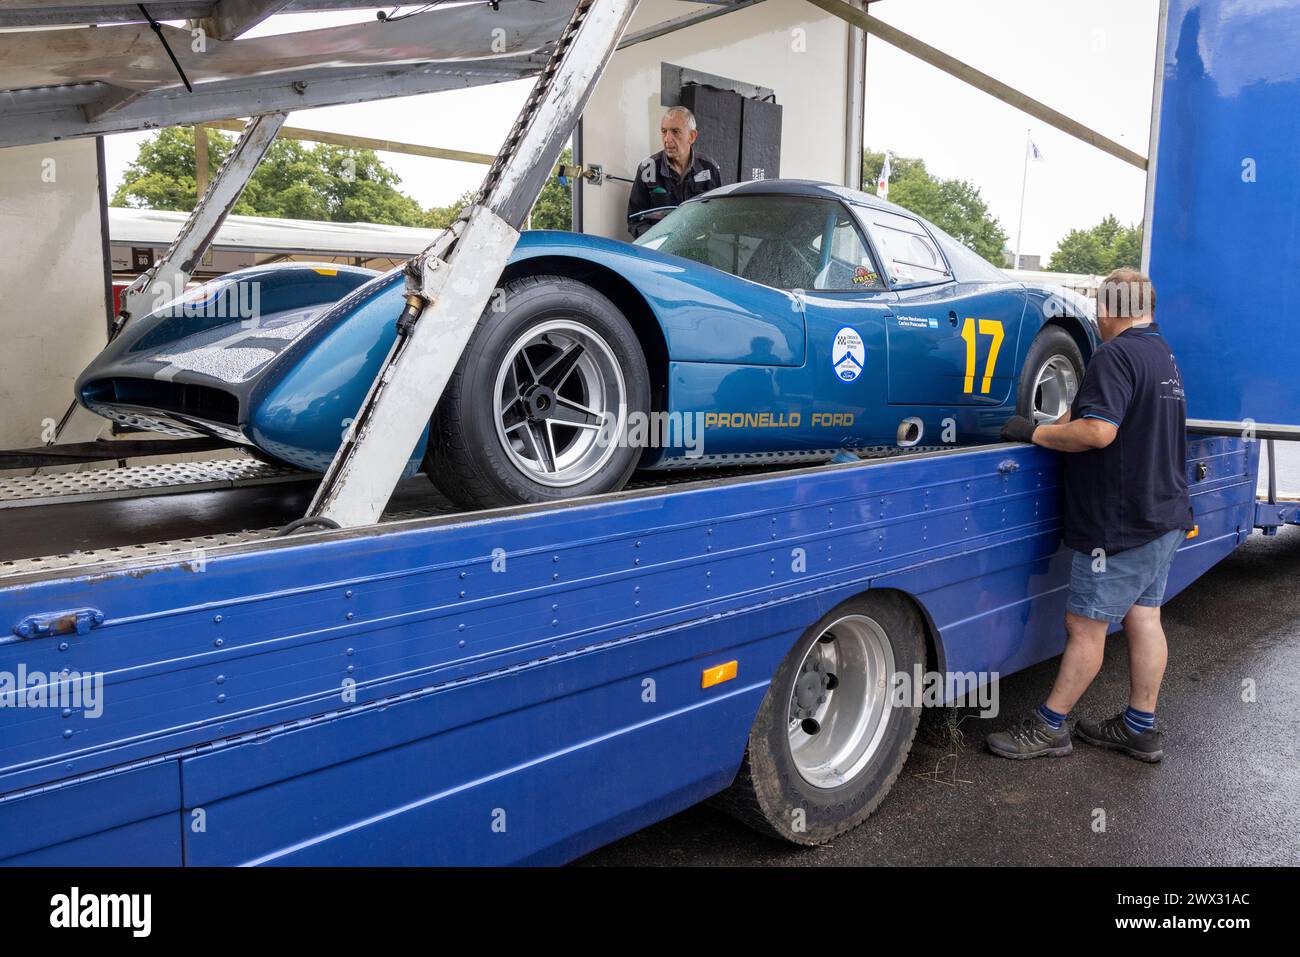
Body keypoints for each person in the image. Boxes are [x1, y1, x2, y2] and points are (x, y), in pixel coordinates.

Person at [986, 268, 1193, 763]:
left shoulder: (1116, 354)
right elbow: (1084, 414)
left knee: (1085, 627)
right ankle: (1139, 727)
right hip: (1161, 514)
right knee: (1144, 617)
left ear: (1111, 308)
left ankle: (1049, 726)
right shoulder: (1160, 354)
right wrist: (1044, 423)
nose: (1097, 317)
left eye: (1100, 306)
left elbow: (1098, 431)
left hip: (1121, 526)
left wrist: (1033, 436)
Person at [626, 105, 723, 239]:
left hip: (698, 247)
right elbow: (634, 220)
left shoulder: (709, 168)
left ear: (692, 136)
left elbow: (718, 215)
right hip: (659, 251)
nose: (667, 139)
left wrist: (704, 233)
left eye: (675, 131)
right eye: (664, 131)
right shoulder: (647, 169)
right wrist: (658, 239)